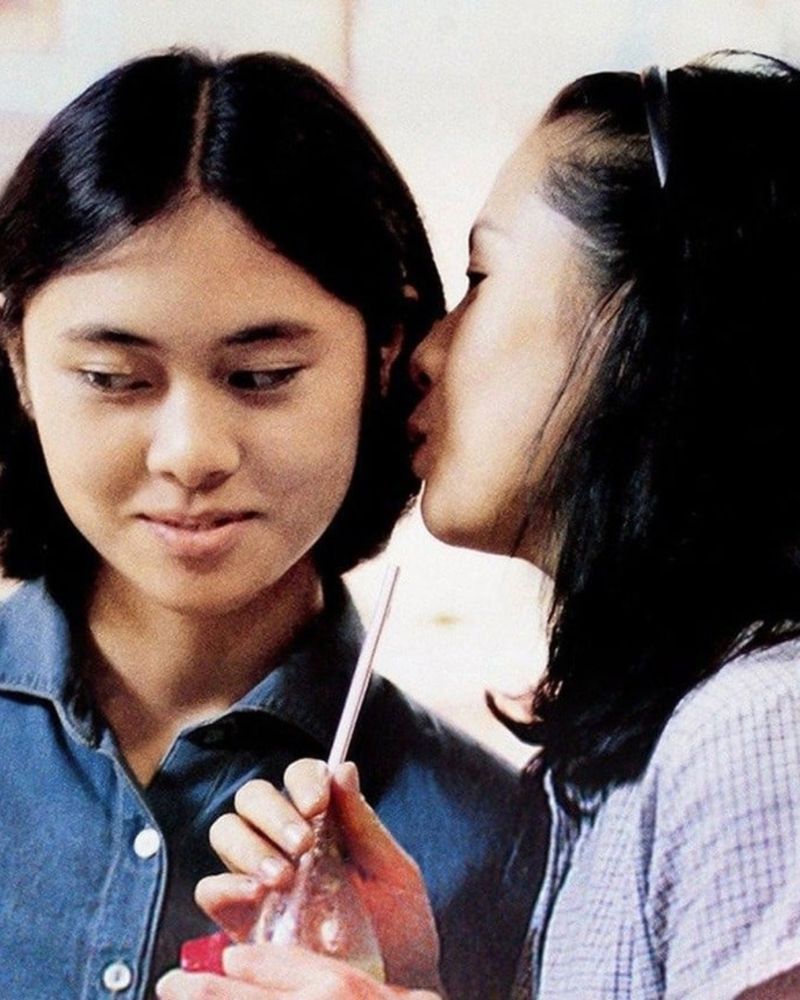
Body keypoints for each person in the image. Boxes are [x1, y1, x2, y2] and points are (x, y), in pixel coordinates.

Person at [162, 50, 800, 999]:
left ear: (645, 320)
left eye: (481, 275)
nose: (424, 354)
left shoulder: (758, 734)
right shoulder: (618, 764)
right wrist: (419, 974)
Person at [0, 50, 542, 1000]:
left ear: (386, 352)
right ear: (18, 362)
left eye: (261, 377)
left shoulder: (495, 842)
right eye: (115, 379)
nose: (191, 453)